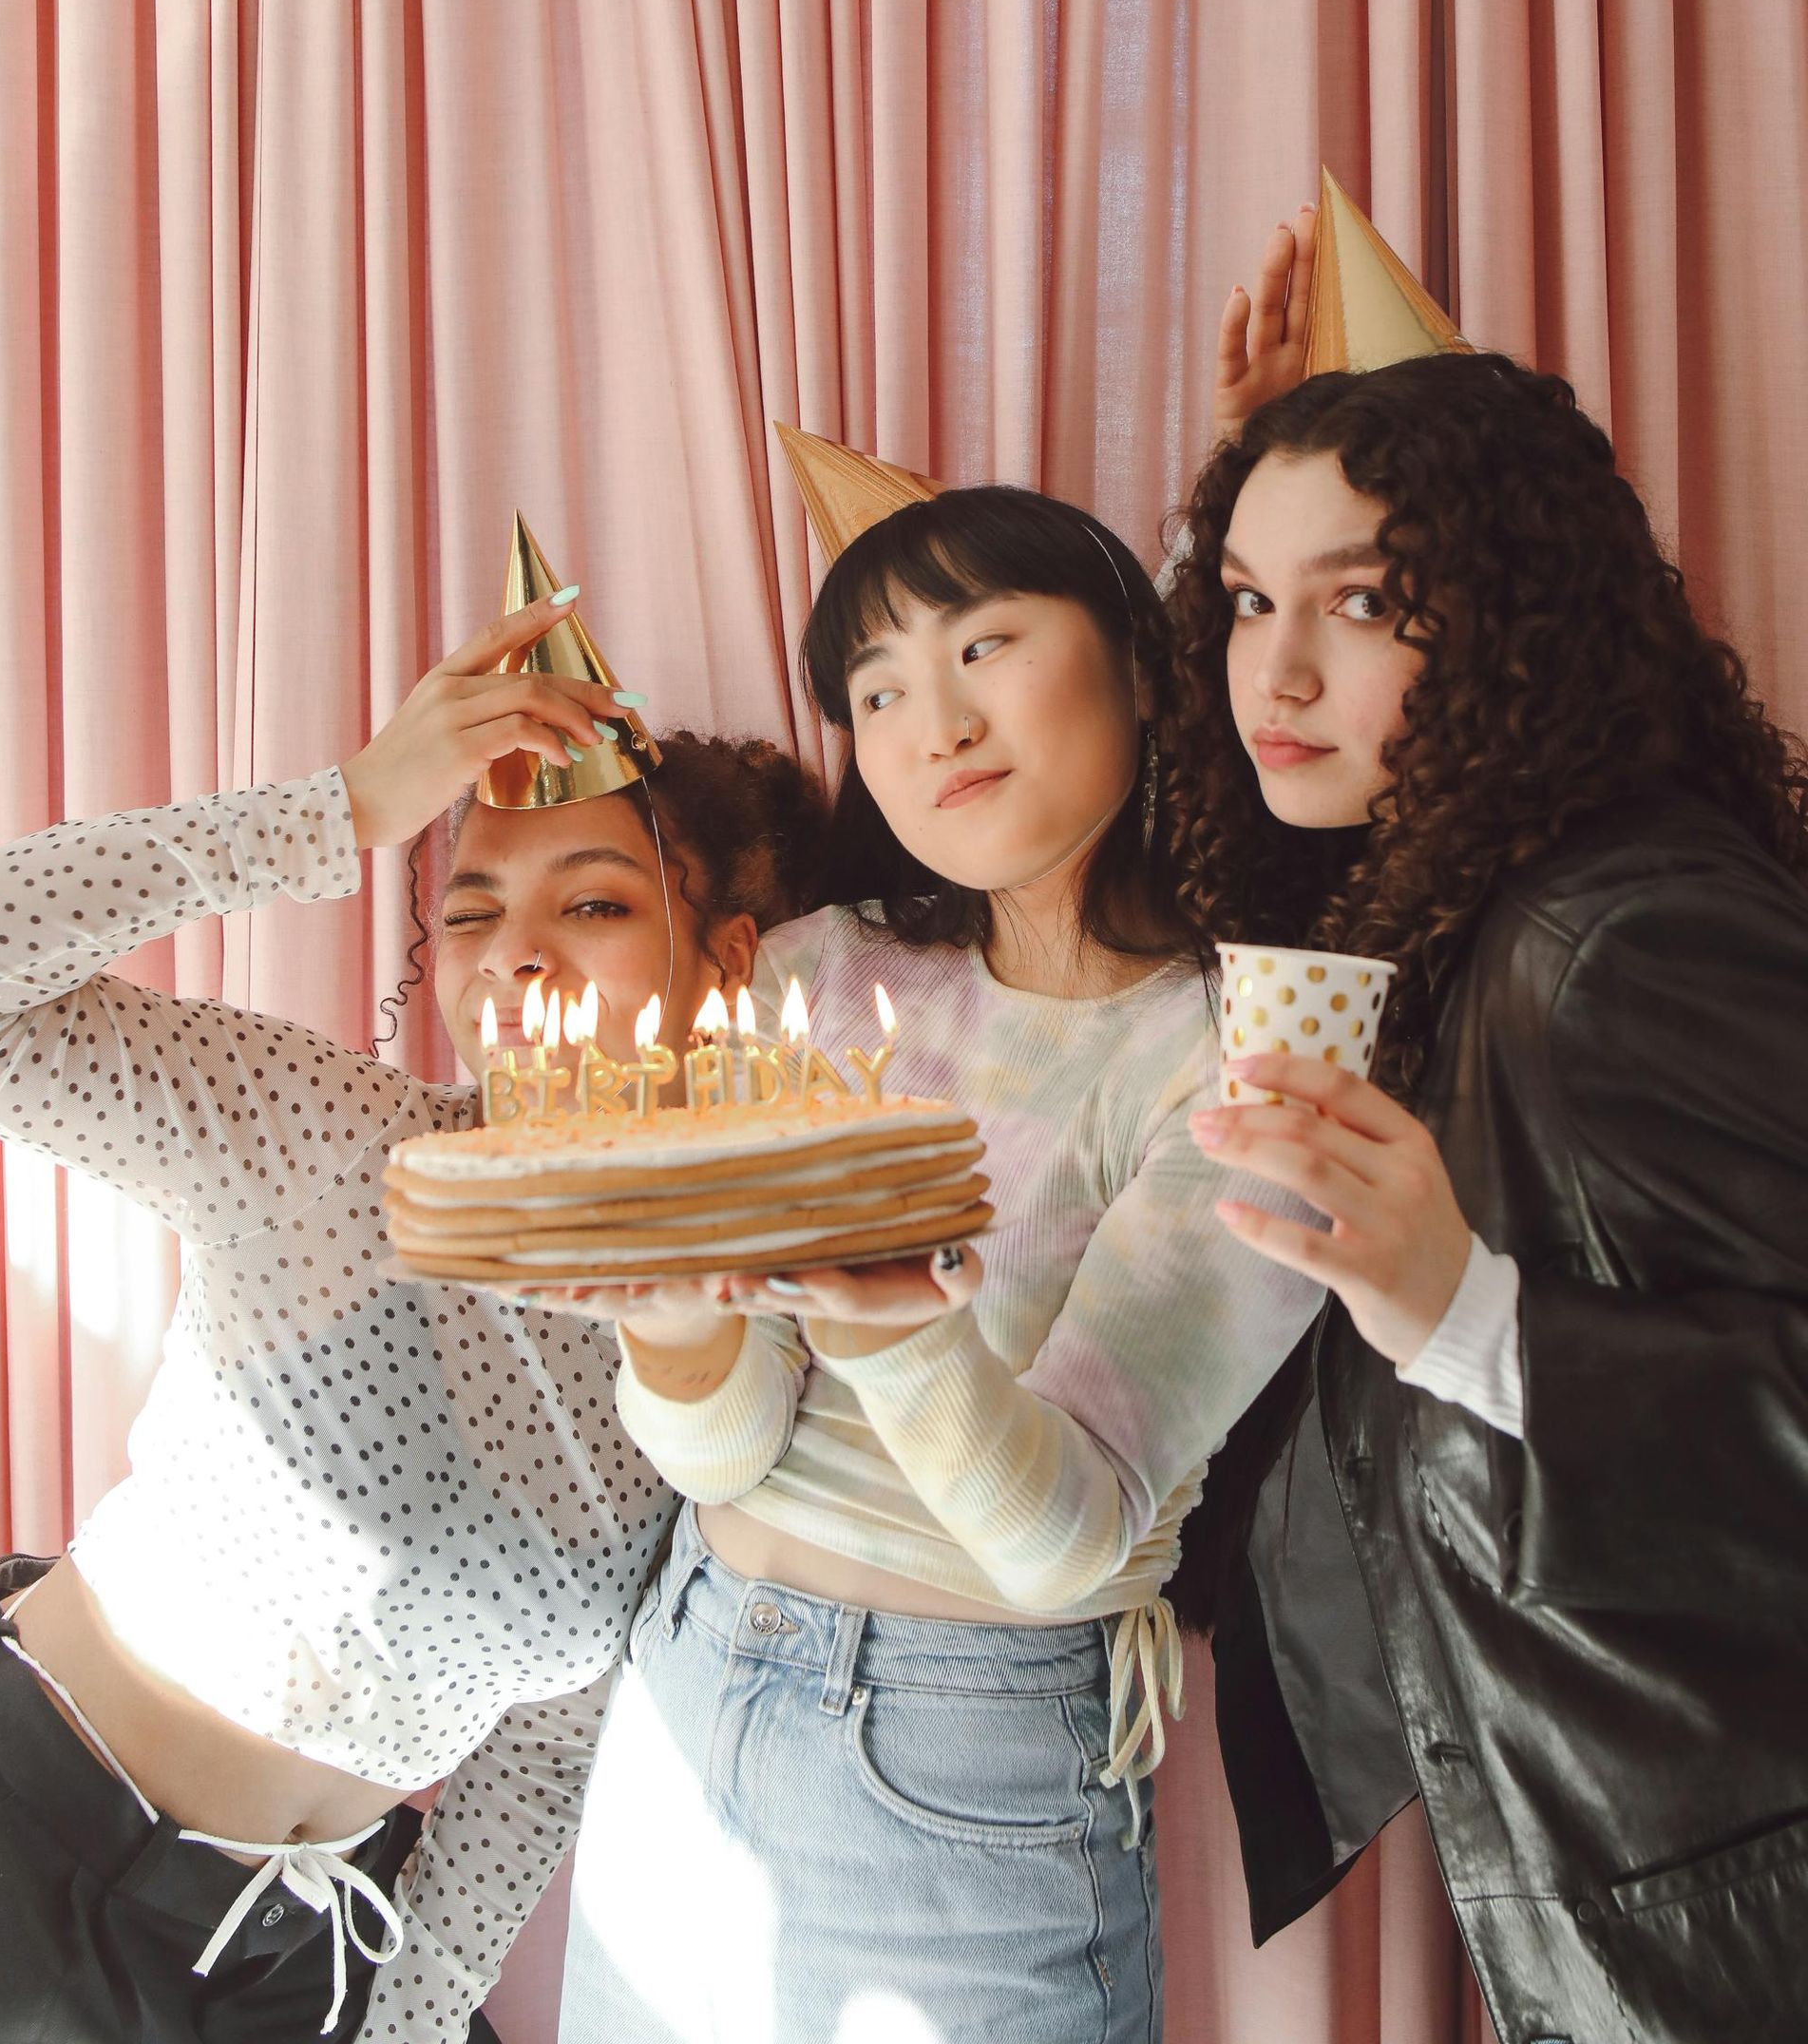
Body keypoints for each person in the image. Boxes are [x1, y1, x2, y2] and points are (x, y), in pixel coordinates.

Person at [459, 479, 1320, 2044]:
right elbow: (727, 1450)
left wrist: (889, 1323)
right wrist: (668, 1324)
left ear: (1138, 665)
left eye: (986, 645)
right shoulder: (826, 973)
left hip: (966, 1759)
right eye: (876, 690)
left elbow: (1065, 1542)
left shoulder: (1242, 1052)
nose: (935, 722)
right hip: (692, 1675)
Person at [0, 588, 821, 2043]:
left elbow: (548, 1750)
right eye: (473, 910)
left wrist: (412, 2017)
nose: (514, 956)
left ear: (729, 962)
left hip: (310, 1963)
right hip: (19, 1844)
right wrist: (342, 809)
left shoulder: (739, 1329)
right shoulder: (328, 1138)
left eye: (597, 901)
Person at [1161, 353, 1808, 2044]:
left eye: (1364, 602)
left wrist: (1475, 1321)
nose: (1276, 672)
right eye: (1244, 600)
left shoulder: (1614, 946)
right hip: (1623, 1897)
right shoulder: (1453, 914)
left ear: (1515, 624)